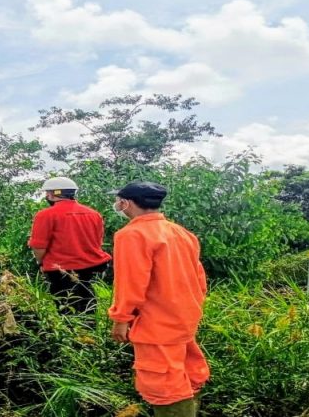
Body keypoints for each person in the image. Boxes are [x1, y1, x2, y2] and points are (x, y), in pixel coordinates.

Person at [108, 181, 209, 417]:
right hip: (185, 318)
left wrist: (121, 318)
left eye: (119, 201)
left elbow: (131, 282)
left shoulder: (131, 234)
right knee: (189, 374)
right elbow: (200, 279)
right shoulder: (182, 233)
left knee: (164, 384)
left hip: (156, 323)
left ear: (126, 203)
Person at [28, 176, 112, 316]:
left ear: (51, 194)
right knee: (87, 299)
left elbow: (39, 246)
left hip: (60, 269)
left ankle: (71, 332)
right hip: (89, 266)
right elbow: (97, 242)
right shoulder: (93, 214)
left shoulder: (46, 215)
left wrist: (41, 262)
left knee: (66, 306)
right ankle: (89, 331)